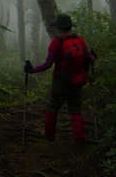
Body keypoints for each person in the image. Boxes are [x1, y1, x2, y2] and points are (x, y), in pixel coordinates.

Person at [24, 13, 97, 145]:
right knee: (75, 109)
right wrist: (93, 56)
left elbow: (48, 64)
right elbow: (90, 59)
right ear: (70, 26)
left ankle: (50, 137)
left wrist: (32, 70)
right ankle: (80, 138)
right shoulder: (80, 40)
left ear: (58, 28)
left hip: (60, 81)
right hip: (78, 80)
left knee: (52, 108)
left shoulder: (56, 42)